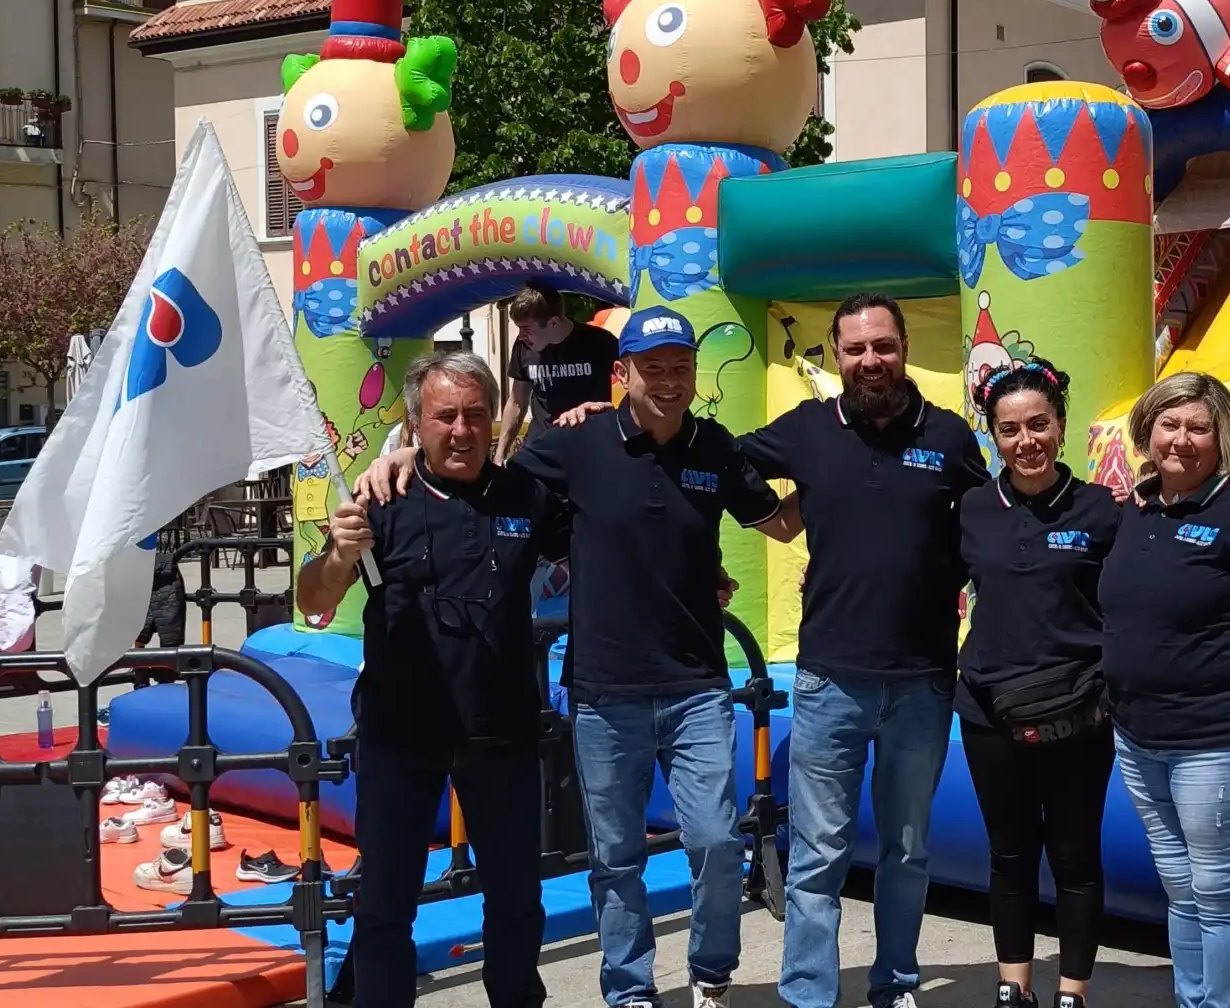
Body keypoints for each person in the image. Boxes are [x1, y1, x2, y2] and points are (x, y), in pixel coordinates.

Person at [359, 308, 800, 1008]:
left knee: (718, 842)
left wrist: (844, 474)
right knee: (614, 860)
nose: (667, 378)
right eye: (649, 366)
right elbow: (480, 467)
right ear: (621, 374)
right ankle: (628, 991)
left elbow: (780, 520)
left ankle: (710, 972)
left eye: (679, 365)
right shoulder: (577, 442)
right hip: (602, 689)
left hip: (694, 685)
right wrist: (403, 454)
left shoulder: (715, 447)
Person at [737, 292, 989, 1008]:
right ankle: (810, 995)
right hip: (828, 683)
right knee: (817, 857)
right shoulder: (809, 430)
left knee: (907, 852)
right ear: (838, 355)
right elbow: (723, 461)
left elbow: (990, 530)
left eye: (883, 345)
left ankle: (897, 985)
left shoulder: (948, 438)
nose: (871, 360)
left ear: (903, 348)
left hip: (923, 682)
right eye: (856, 349)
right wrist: (778, 516)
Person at [300, 350, 561, 1008]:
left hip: (500, 734)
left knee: (515, 900)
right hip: (399, 735)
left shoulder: (525, 495)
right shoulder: (377, 499)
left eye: (476, 415)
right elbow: (311, 598)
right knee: (386, 904)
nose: (463, 430)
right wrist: (340, 554)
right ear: (417, 425)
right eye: (446, 417)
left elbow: (607, 536)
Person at [1098, 371, 1230, 1008]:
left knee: (1219, 894)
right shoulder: (1138, 507)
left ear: (1222, 436)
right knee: (1181, 887)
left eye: (1198, 427)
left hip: (1214, 742)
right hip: (1139, 736)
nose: (1181, 440)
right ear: (1148, 431)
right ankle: (1194, 1000)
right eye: (1168, 424)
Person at [957, 360, 1119, 1008]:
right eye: (1009, 429)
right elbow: (920, 584)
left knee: (1076, 859)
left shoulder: (1102, 510)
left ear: (1060, 424)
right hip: (988, 709)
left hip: (1078, 711)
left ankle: (1071, 992)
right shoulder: (970, 509)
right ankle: (1012, 986)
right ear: (992, 436)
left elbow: (1139, 598)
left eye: (1038, 425)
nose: (1026, 441)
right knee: (1011, 854)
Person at [495, 285, 620, 463]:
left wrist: (611, 414)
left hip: (590, 448)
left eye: (527, 329)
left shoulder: (599, 342)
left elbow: (635, 383)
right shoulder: (524, 347)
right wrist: (499, 456)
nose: (521, 336)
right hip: (541, 447)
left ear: (553, 322)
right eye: (519, 328)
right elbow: (517, 402)